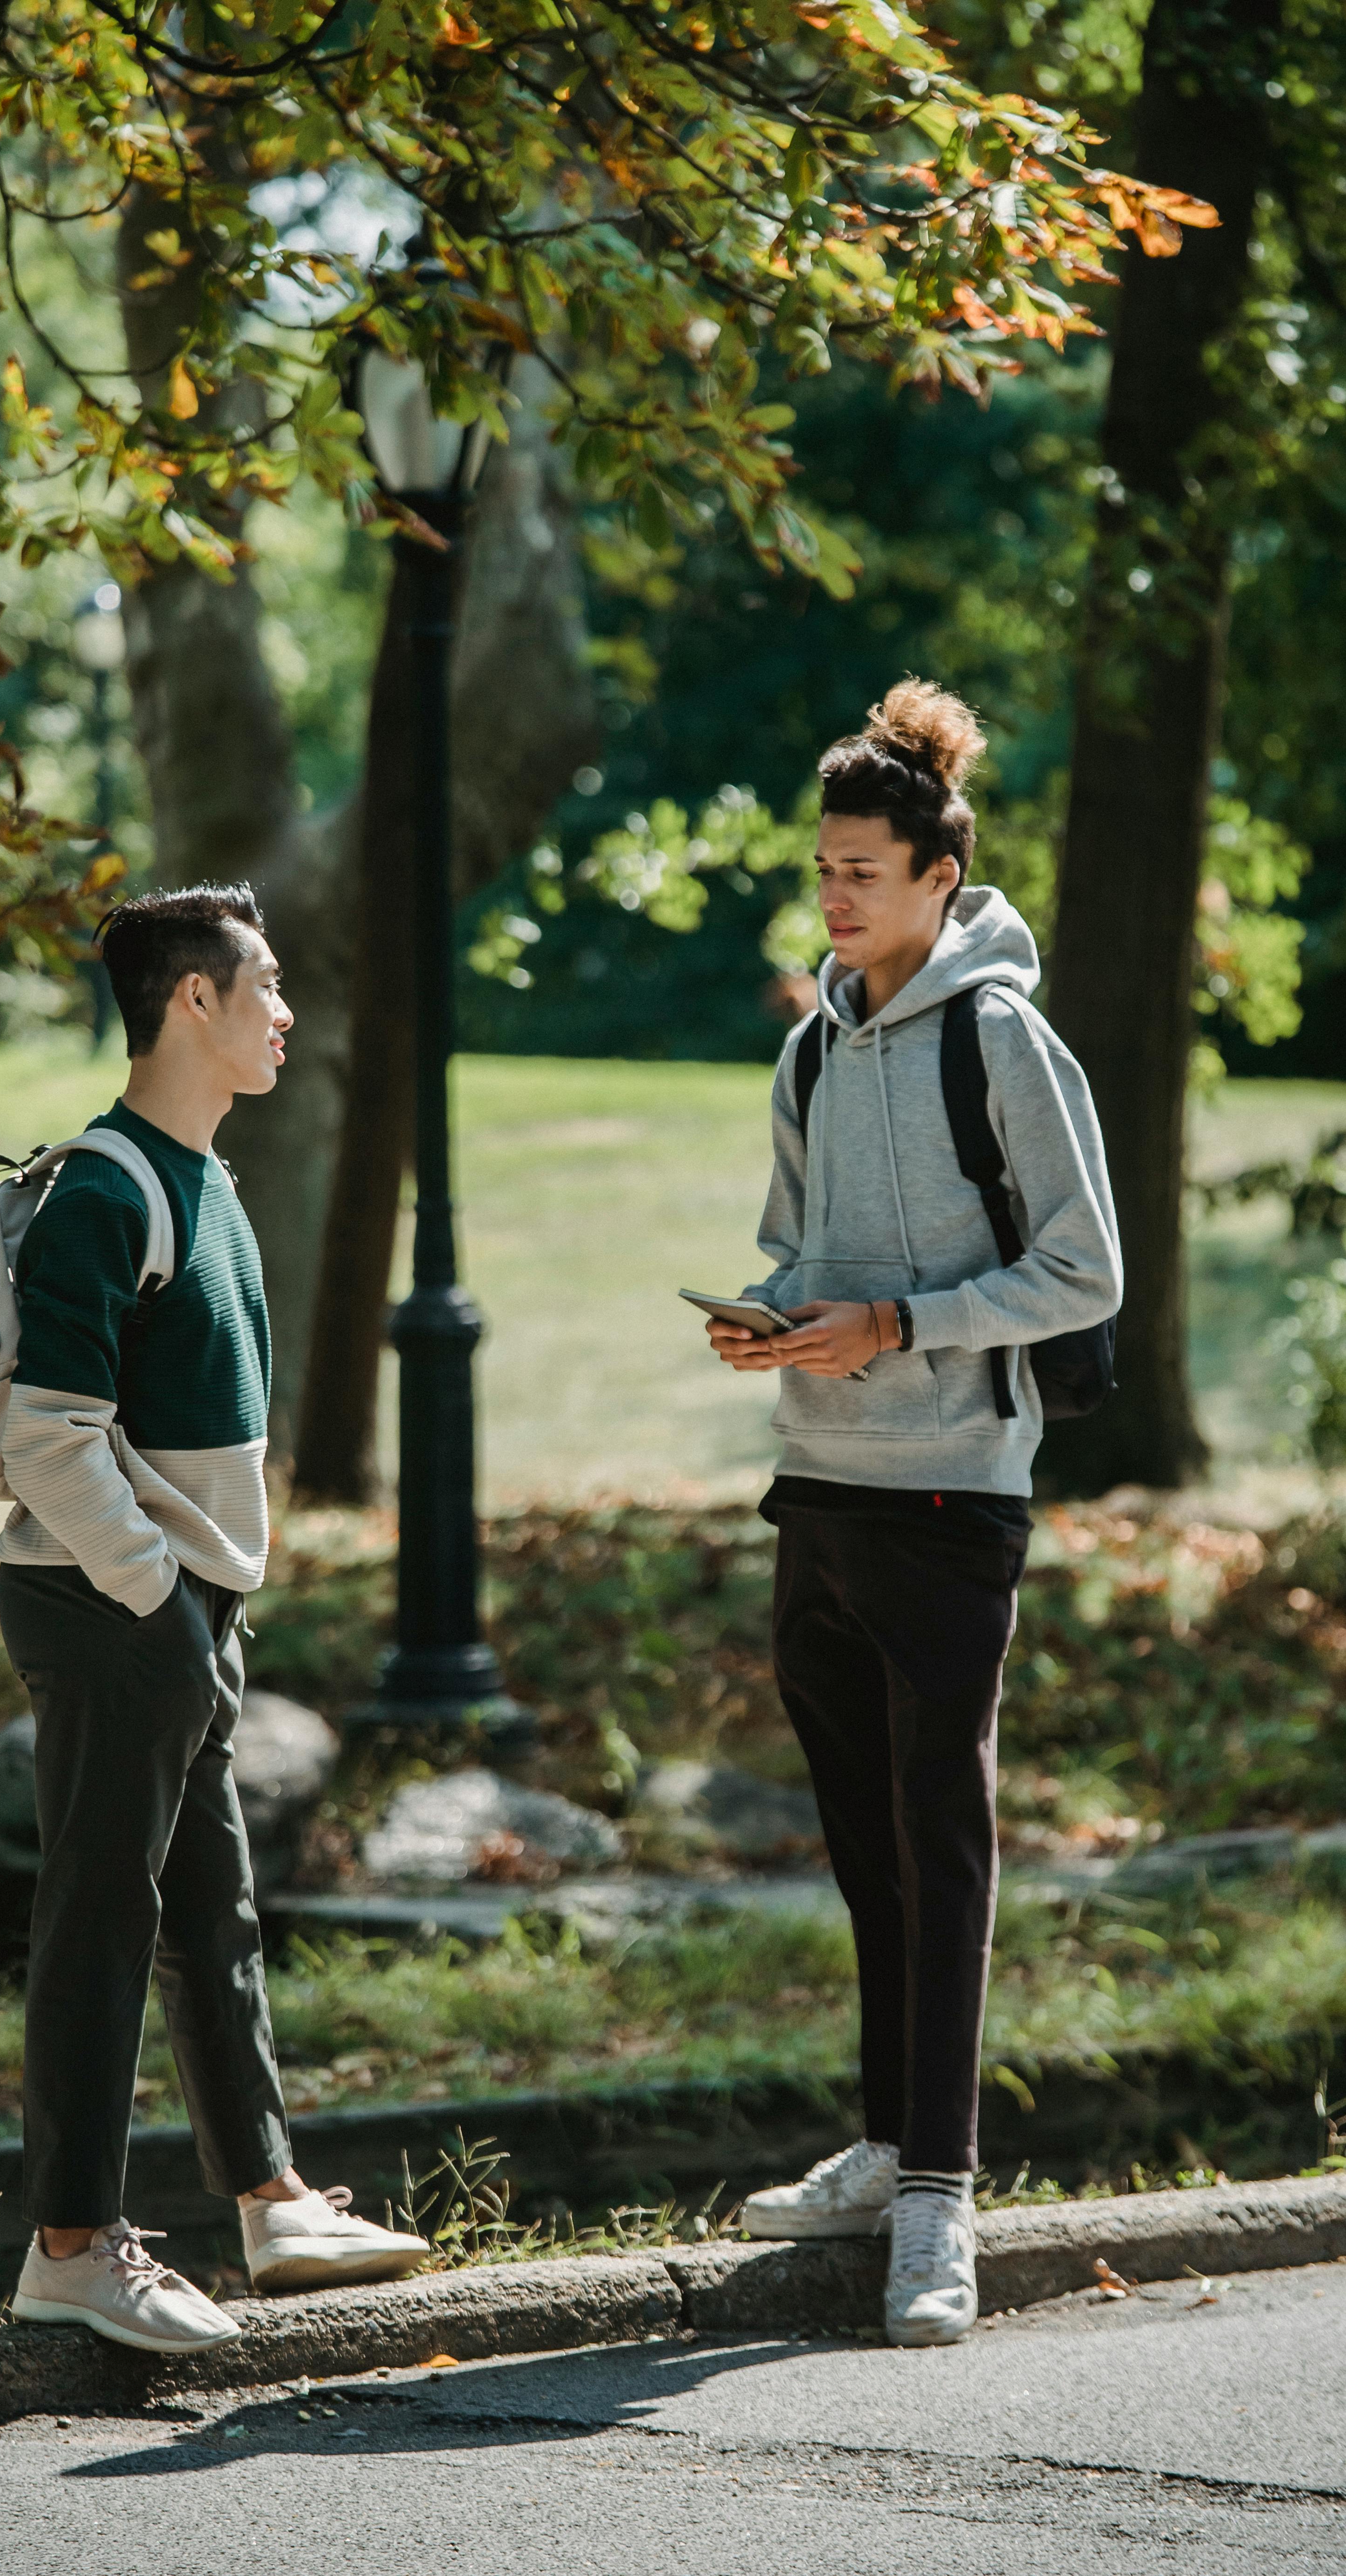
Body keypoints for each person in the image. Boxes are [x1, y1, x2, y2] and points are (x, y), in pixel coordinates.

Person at [704, 684, 1119, 2348]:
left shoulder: (1000, 1037)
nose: (838, 897)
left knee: (942, 1846)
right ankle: (886, 2147)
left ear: (943, 874)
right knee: (866, 1843)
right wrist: (771, 1313)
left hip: (954, 1490)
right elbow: (801, 1245)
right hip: (819, 1484)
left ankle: (940, 2202)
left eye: (866, 870)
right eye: (823, 870)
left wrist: (905, 1325)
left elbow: (1084, 1266)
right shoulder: (812, 1042)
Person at [0, 883, 427, 2354]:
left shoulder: (208, 1181)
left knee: (211, 1915)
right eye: (267, 985)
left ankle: (271, 2198)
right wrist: (161, 1595)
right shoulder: (107, 1189)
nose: (287, 1012)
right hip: (114, 1608)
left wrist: (198, 1606)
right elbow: (50, 1436)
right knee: (103, 1920)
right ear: (194, 1000)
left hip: (180, 1614)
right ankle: (70, 2243)